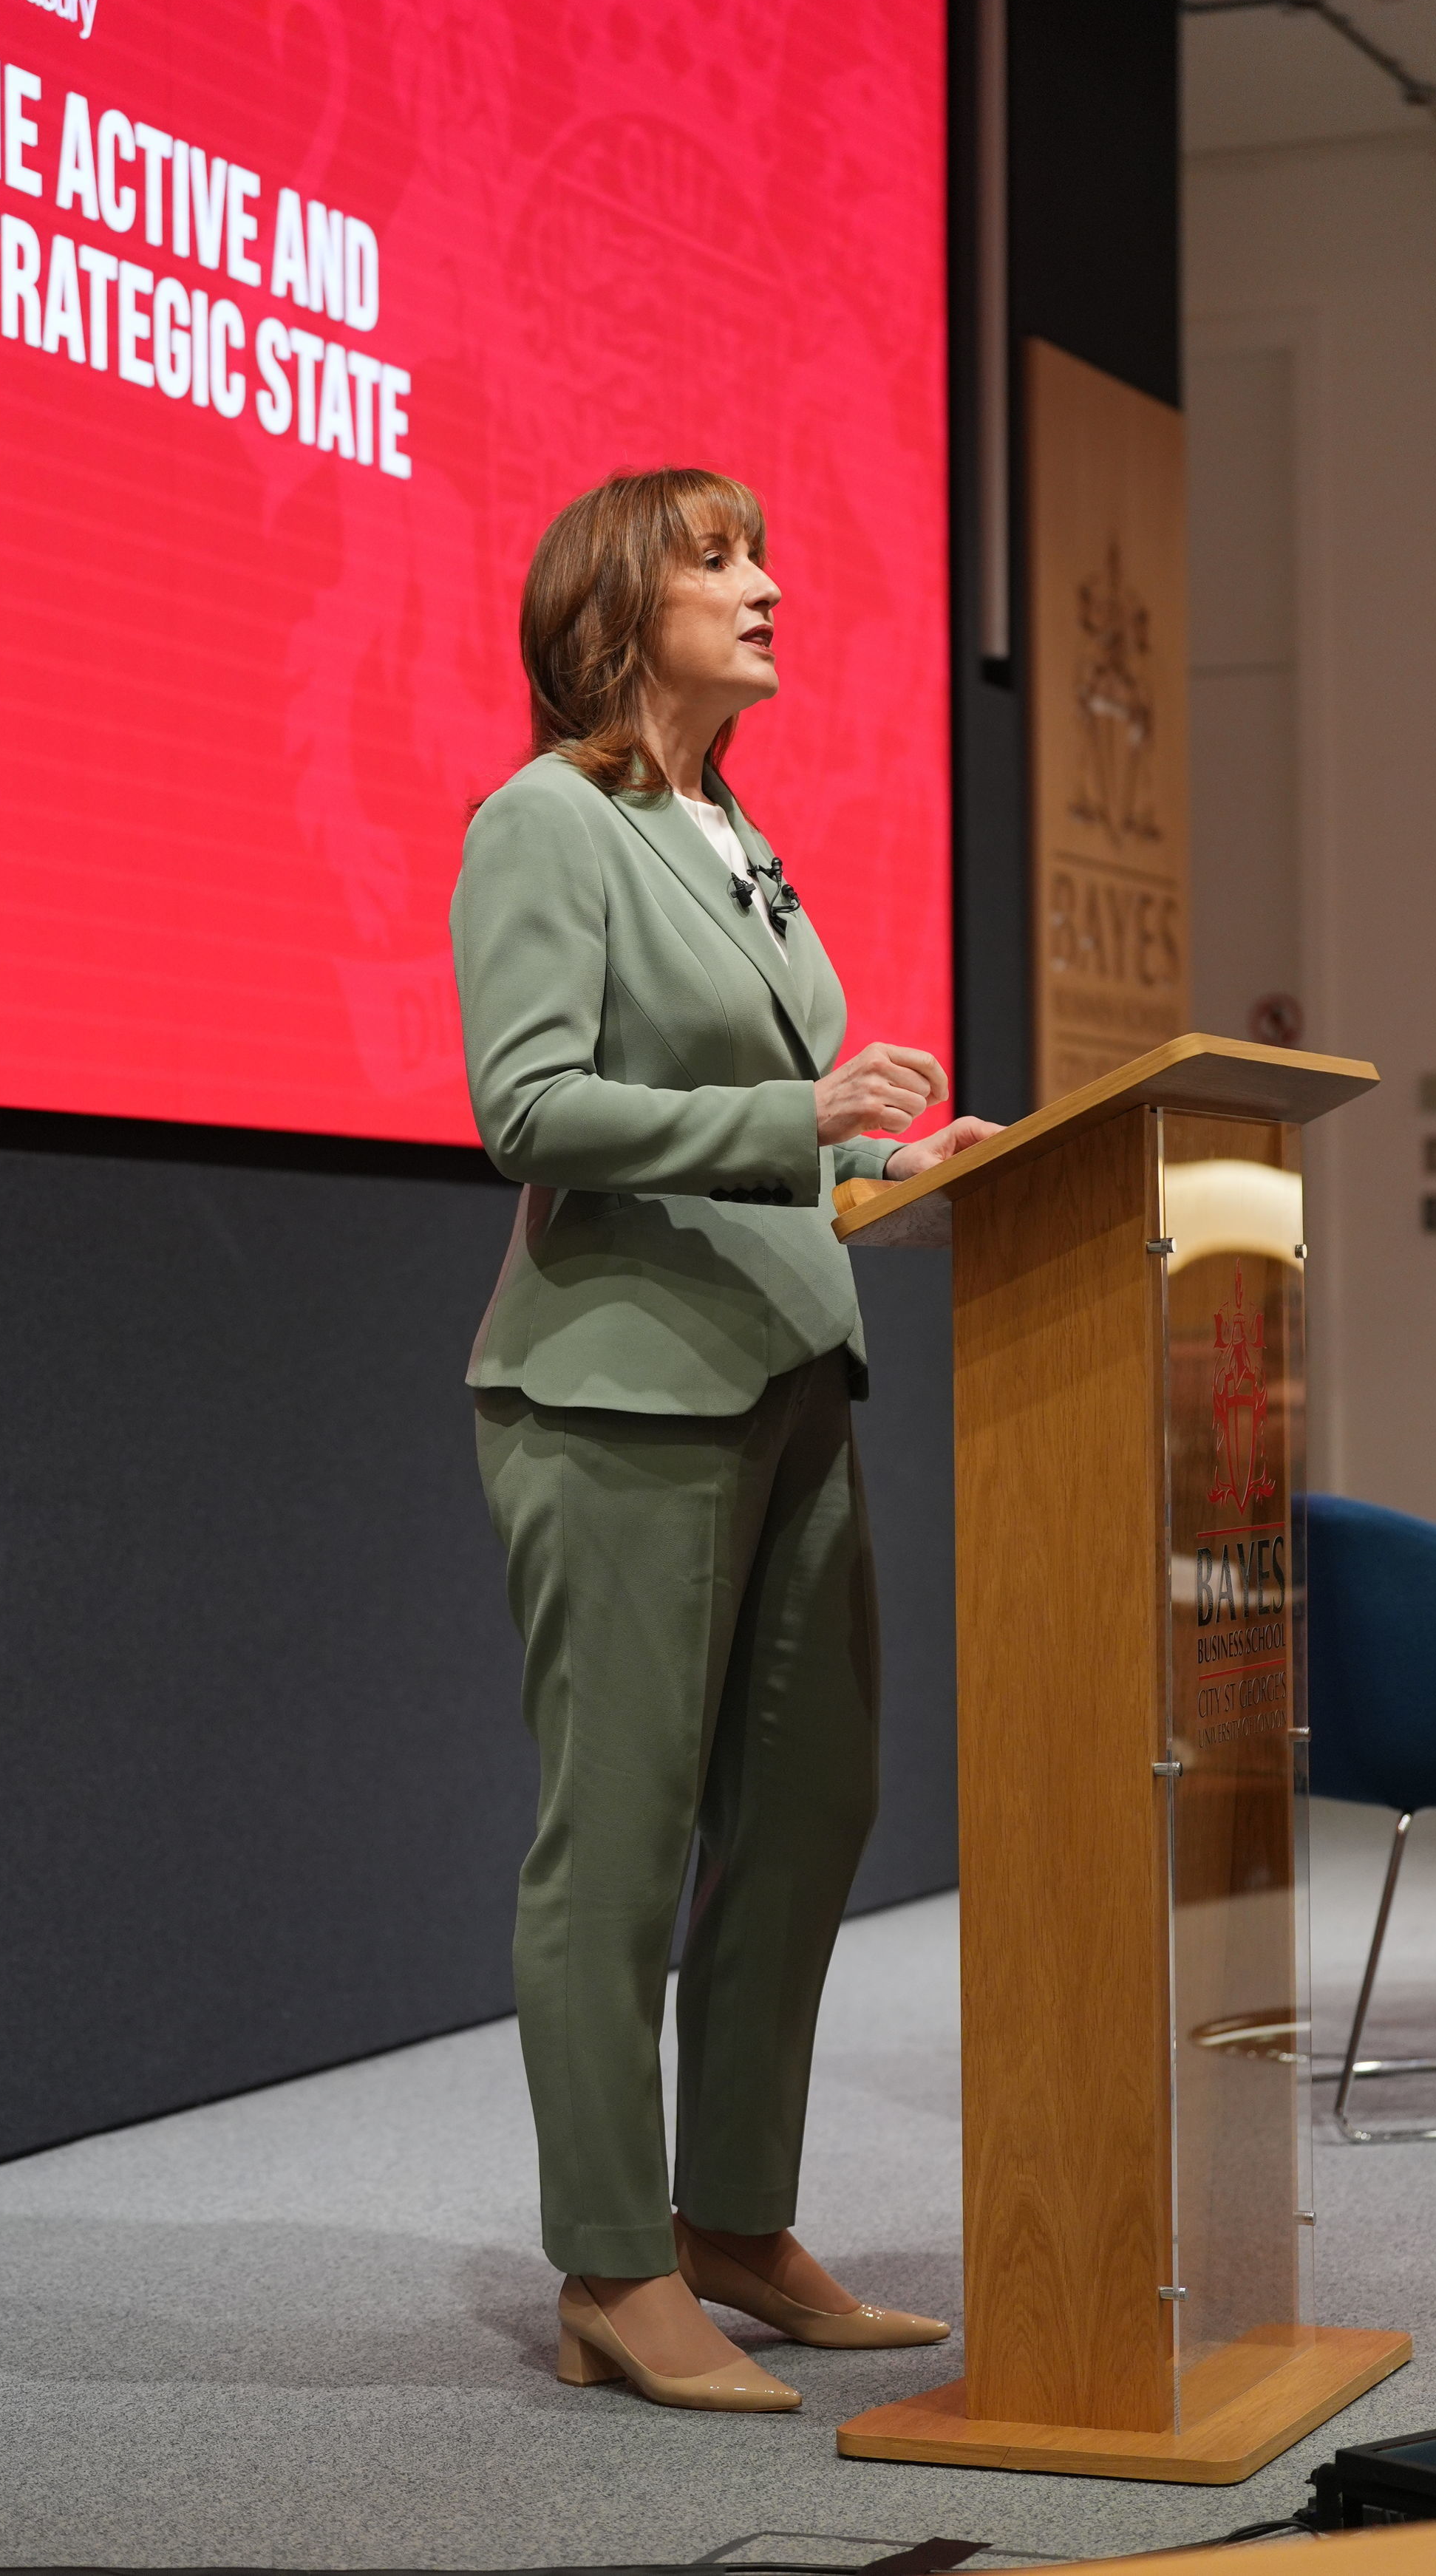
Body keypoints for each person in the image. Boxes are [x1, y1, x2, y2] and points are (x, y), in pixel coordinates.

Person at [450, 468, 998, 2415]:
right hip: (616, 1386)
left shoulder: (733, 830)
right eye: (717, 561)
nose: (767, 587)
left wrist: (888, 1165)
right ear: (618, 608)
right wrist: (804, 1119)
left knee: (813, 1807)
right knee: (616, 1837)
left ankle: (735, 2222)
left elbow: (767, 1125)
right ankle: (613, 2261)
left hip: (787, 1361)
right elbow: (530, 1108)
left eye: (761, 553)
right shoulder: (546, 822)